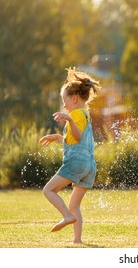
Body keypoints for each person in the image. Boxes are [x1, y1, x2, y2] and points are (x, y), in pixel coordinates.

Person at [39, 68, 101, 243]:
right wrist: (59, 137)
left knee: (48, 190)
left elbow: (78, 135)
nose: (64, 105)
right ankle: (77, 240)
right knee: (75, 205)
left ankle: (66, 216)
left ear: (74, 99)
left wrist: (70, 119)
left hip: (76, 163)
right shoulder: (84, 114)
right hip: (89, 166)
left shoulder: (76, 114)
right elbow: (75, 139)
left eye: (64, 101)